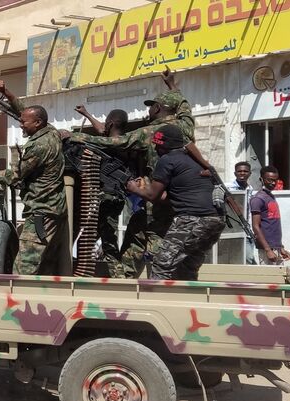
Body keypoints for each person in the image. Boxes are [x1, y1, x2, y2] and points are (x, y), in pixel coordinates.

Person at [65, 68, 195, 278]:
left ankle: (154, 282)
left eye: (151, 107)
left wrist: (78, 137)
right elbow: (184, 106)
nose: (148, 111)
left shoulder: (150, 131)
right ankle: (126, 277)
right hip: (180, 196)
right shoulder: (186, 126)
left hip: (157, 194)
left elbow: (117, 141)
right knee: (138, 231)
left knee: (153, 237)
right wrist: (172, 85)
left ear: (159, 108)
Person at [0, 79, 67, 275]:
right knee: (46, 265)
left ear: (37, 123)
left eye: (24, 122)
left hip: (41, 211)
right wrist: (7, 92)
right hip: (53, 209)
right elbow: (24, 111)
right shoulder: (50, 131)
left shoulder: (39, 146)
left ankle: (17, 303)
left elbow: (16, 175)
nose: (20, 124)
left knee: (23, 268)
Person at [125, 125, 224, 280]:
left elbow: (153, 196)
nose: (156, 148)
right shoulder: (195, 161)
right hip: (215, 220)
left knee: (161, 264)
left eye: (158, 144)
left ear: (165, 145)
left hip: (192, 219)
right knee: (187, 266)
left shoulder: (167, 160)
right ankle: (186, 300)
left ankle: (155, 302)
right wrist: (145, 188)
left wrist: (134, 188)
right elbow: (170, 196)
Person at [73, 105, 131, 276]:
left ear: (111, 124)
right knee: (95, 239)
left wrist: (73, 135)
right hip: (113, 198)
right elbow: (101, 130)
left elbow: (96, 137)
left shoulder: (113, 143)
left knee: (105, 240)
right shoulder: (124, 140)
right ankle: (91, 272)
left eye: (106, 123)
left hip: (107, 198)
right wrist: (86, 114)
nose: (103, 126)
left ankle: (118, 277)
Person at [250, 166, 290, 265]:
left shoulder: (270, 196)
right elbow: (255, 226)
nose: (272, 183)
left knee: (279, 278)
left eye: (275, 180)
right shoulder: (258, 199)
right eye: (269, 180)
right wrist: (268, 250)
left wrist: (280, 247)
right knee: (268, 278)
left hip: (275, 247)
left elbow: (273, 224)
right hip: (266, 248)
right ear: (261, 179)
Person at [226, 161, 256, 264]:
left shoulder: (250, 189)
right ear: (235, 173)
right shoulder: (228, 188)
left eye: (245, 171)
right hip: (231, 230)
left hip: (246, 230)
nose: (242, 173)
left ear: (250, 173)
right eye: (239, 171)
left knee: (248, 258)